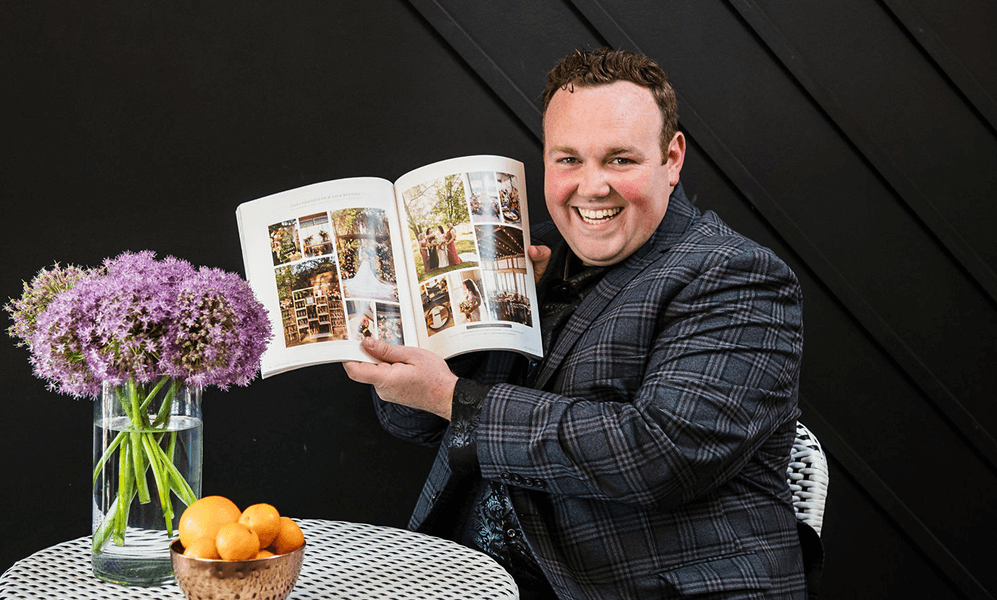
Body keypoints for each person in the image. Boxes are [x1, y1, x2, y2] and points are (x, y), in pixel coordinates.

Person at [345, 47, 813, 599]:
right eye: (568, 159)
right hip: (471, 575)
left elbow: (657, 455)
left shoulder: (738, 276)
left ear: (673, 158)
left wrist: (454, 397)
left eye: (620, 160)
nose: (591, 188)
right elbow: (415, 424)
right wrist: (439, 338)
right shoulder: (525, 249)